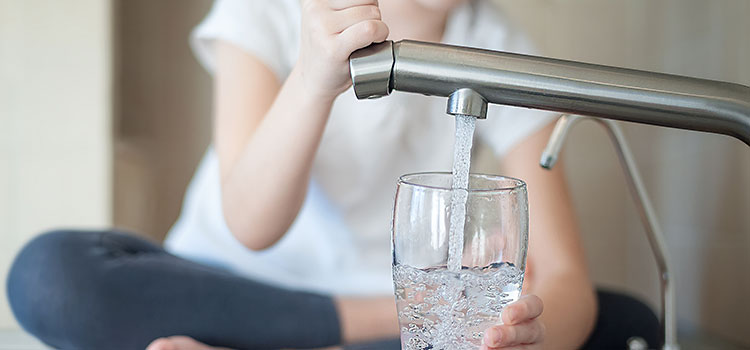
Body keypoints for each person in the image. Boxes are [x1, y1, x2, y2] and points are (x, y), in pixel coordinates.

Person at [7, 0, 660, 349]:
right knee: (53, 275)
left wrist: (508, 341)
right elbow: (250, 226)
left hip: (414, 321)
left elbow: (565, 276)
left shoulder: (505, 50)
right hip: (227, 295)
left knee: (630, 325)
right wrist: (313, 80)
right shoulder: (271, 9)